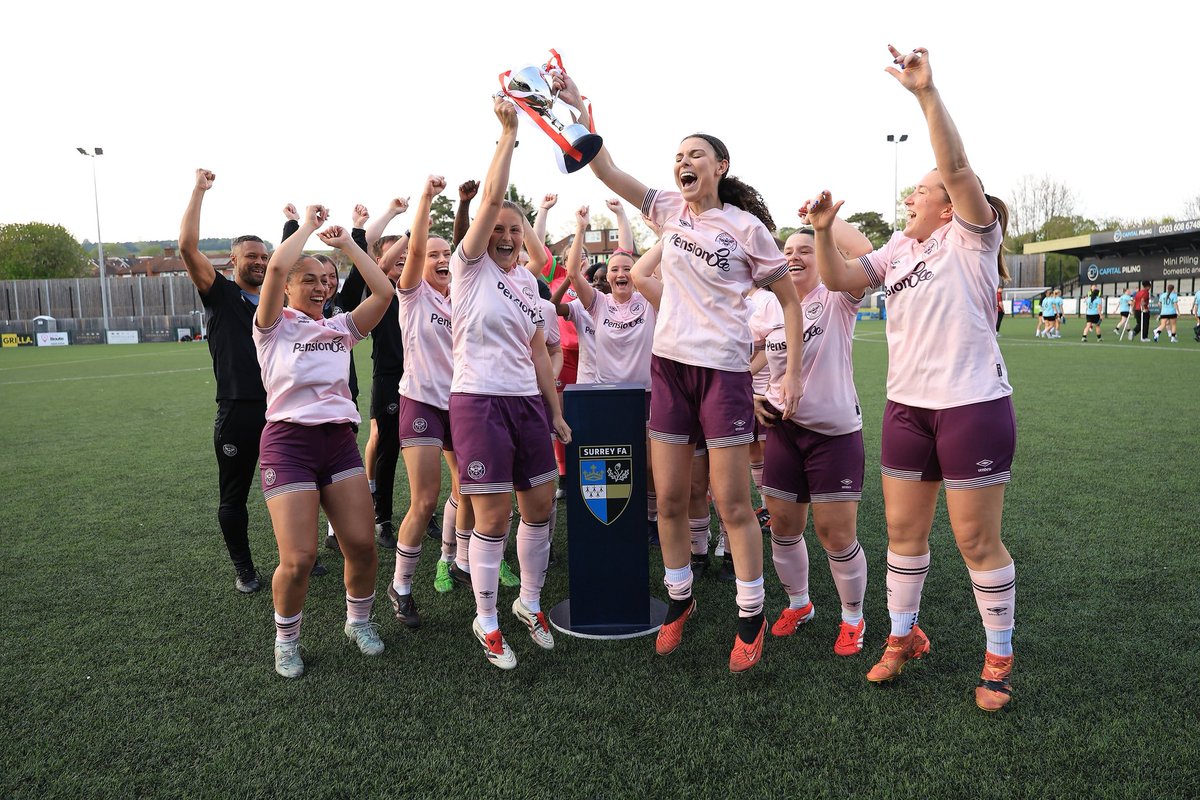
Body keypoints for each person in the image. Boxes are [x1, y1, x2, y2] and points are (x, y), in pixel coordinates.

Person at [559, 71, 806, 674]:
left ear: (721, 165)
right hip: (667, 373)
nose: (683, 163)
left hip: (722, 375)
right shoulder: (668, 210)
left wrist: (789, 376)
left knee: (731, 501)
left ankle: (750, 616)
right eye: (677, 157)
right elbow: (609, 169)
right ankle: (679, 602)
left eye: (695, 154)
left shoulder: (748, 231)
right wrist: (577, 113)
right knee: (667, 499)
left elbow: (792, 302)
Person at [810, 45, 1018, 711]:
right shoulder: (899, 249)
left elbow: (955, 166)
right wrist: (820, 232)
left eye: (922, 189)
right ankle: (900, 638)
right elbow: (842, 277)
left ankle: (999, 656)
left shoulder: (972, 238)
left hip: (972, 406)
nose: (913, 194)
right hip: (908, 408)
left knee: (975, 539)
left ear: (953, 204)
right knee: (902, 535)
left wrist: (925, 95)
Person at [450, 97, 571, 670]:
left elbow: (539, 352)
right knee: (493, 516)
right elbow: (493, 198)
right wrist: (508, 135)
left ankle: (528, 603)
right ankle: (488, 619)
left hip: (527, 403)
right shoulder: (468, 269)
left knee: (541, 507)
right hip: (478, 401)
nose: (503, 234)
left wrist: (555, 411)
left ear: (524, 238)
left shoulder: (529, 287)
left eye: (512, 230)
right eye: (495, 227)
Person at [253, 206, 394, 678]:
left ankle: (358, 622)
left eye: (326, 280)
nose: (320, 287)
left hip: (338, 443)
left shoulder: (338, 329)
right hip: (288, 445)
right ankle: (286, 642)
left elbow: (384, 292)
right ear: (289, 287)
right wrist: (308, 229)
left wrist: (350, 247)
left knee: (361, 543)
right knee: (299, 559)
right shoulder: (271, 328)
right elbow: (274, 265)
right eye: (309, 279)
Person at [751, 222, 873, 656]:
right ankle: (799, 605)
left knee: (835, 534)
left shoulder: (838, 297)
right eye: (788, 250)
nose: (794, 256)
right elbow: (749, 363)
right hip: (783, 433)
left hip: (834, 436)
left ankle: (854, 618)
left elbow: (865, 250)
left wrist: (826, 227)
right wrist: (755, 398)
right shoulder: (770, 307)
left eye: (805, 250)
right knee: (783, 528)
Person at [179, 169, 270, 594]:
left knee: (296, 487)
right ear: (232, 261)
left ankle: (297, 556)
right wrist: (199, 190)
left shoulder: (278, 301)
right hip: (238, 410)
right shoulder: (219, 294)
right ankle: (244, 568)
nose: (258, 261)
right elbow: (186, 247)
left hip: (283, 407)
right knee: (235, 495)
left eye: (263, 255)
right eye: (249, 255)